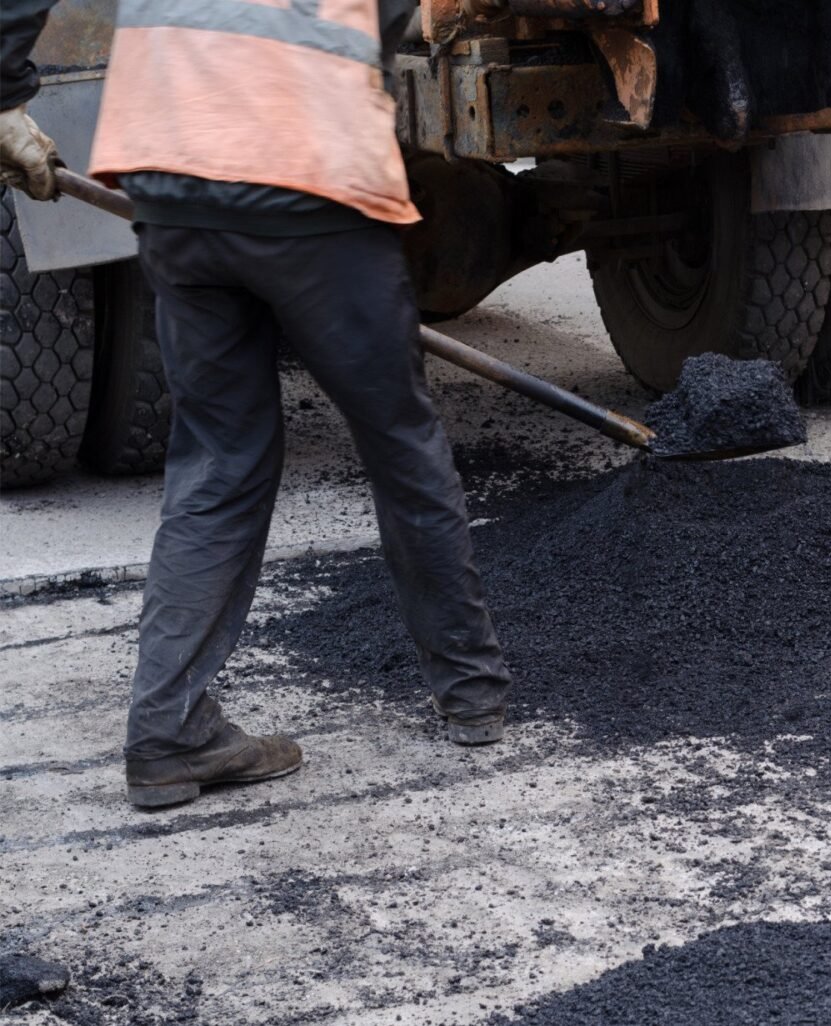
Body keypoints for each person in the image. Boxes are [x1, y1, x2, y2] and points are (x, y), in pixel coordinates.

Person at [0, 0, 512, 808]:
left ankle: (166, 735)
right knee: (399, 440)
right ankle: (473, 694)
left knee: (219, 460)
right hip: (308, 173)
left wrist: (3, 91)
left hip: (171, 178)